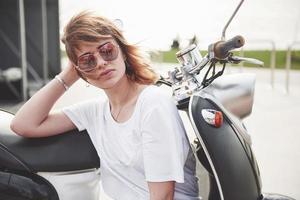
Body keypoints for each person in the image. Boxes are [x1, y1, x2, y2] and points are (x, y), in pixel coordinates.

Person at [10, 11, 200, 200]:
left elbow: (162, 196)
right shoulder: (95, 111)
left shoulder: (153, 103)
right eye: (87, 60)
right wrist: (68, 76)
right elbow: (23, 124)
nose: (101, 62)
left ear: (123, 52)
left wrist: (82, 63)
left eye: (107, 50)